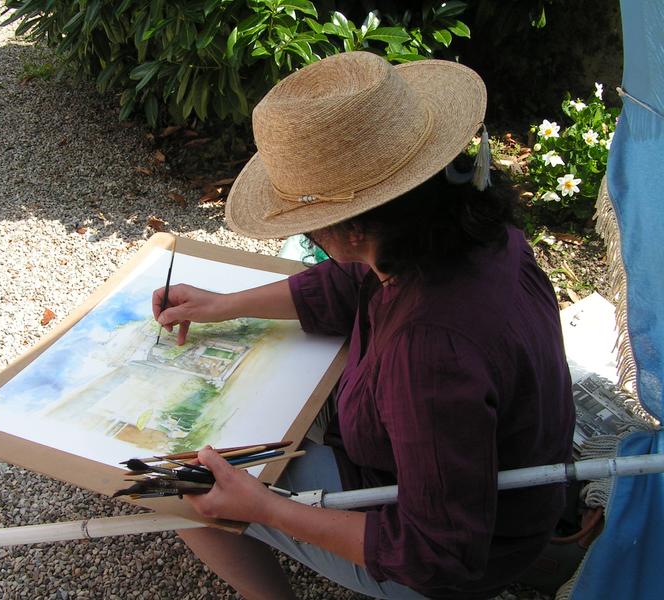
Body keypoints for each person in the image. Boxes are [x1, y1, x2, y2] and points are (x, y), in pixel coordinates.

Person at [151, 51, 575, 600]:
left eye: (310, 224)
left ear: (353, 232)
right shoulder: (464, 234)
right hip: (513, 498)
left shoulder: (428, 351)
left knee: (179, 485)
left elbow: (437, 553)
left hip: (476, 552)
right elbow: (347, 285)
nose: (309, 236)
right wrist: (223, 304)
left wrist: (262, 507)